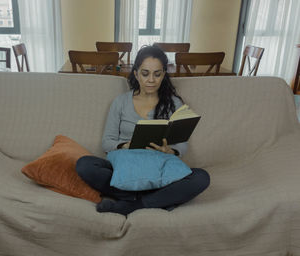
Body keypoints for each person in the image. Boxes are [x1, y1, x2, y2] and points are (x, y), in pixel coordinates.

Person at [76, 45, 210, 216]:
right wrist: (126, 145)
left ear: (163, 74)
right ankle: (156, 199)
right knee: (84, 165)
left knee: (201, 177)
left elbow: (182, 143)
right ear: (136, 73)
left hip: (160, 168)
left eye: (157, 74)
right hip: (125, 167)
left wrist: (171, 150)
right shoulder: (120, 102)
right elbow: (107, 142)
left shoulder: (174, 103)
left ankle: (131, 204)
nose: (151, 80)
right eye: (145, 73)